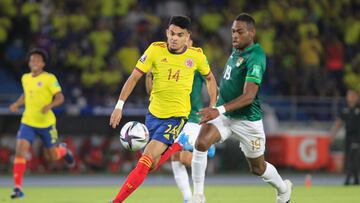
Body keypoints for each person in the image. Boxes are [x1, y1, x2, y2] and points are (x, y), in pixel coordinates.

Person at [109, 16, 217, 203]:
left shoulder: (196, 56)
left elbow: (210, 78)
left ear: (187, 37)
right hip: (153, 114)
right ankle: (179, 143)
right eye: (172, 33)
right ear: (167, 33)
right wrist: (119, 106)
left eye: (179, 35)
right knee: (151, 165)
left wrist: (213, 106)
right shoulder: (154, 50)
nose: (174, 38)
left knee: (146, 158)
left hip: (176, 117)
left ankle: (116, 201)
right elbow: (133, 77)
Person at [190, 13, 292, 203]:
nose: (234, 36)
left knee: (258, 168)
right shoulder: (237, 48)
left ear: (252, 33)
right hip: (224, 115)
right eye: (232, 31)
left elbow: (249, 96)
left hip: (247, 120)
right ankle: (198, 196)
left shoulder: (256, 56)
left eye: (240, 31)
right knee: (201, 143)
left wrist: (218, 110)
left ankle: (284, 189)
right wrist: (218, 106)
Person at [145, 38, 217, 203]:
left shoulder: (195, 62)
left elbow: (211, 81)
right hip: (174, 117)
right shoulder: (167, 62)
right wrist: (149, 76)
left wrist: (212, 107)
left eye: (187, 39)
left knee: (182, 158)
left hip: (192, 117)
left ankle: (204, 148)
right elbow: (150, 91)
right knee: (175, 158)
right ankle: (187, 198)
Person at [8, 48, 74, 199]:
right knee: (20, 151)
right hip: (28, 122)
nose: (35, 62)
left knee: (52, 156)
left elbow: (60, 97)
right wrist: (17, 104)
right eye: (32, 60)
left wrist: (49, 106)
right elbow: (26, 94)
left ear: (43, 63)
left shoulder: (50, 78)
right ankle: (17, 188)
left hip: (46, 124)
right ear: (29, 63)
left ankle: (63, 151)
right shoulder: (25, 78)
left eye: (38, 60)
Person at [331, 89, 360, 185]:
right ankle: (356, 180)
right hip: (348, 136)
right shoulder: (344, 109)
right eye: (348, 95)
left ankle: (348, 179)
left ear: (357, 97)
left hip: (357, 136)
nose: (350, 97)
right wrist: (333, 134)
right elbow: (339, 122)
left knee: (353, 157)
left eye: (352, 95)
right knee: (349, 157)